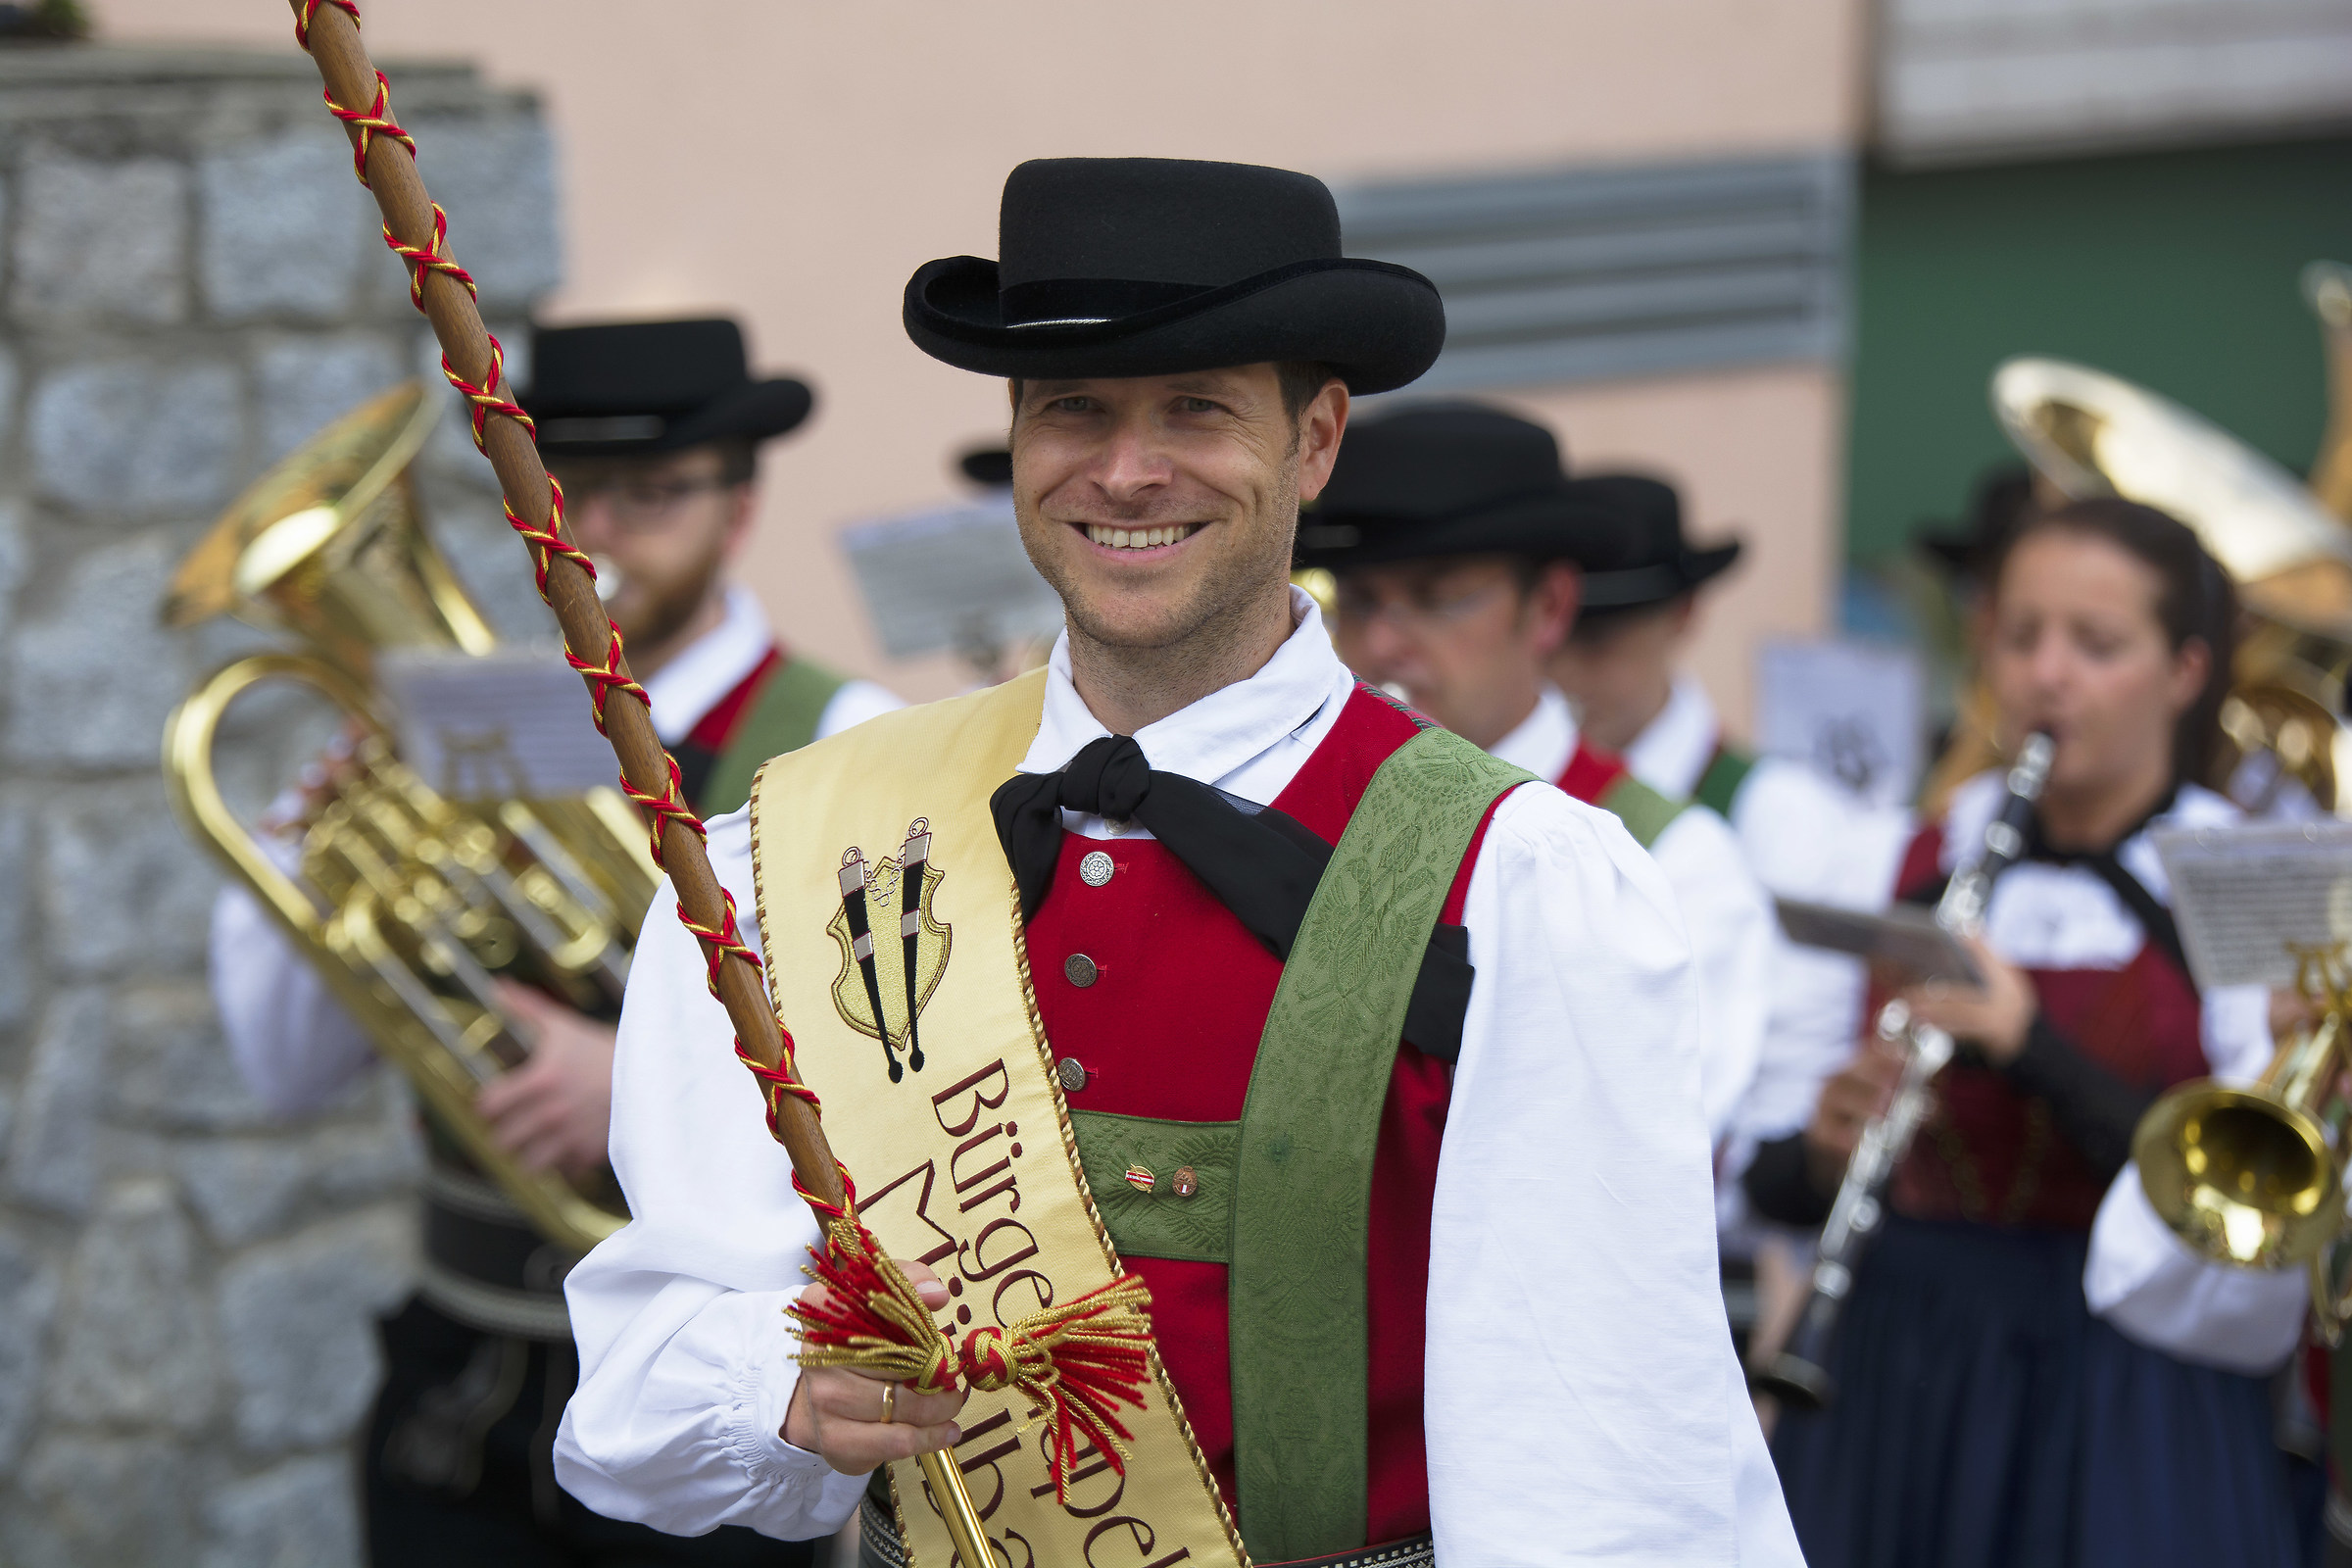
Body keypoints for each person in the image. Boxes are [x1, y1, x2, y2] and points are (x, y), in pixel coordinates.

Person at [554, 157, 1801, 1566]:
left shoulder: (1521, 877)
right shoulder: (798, 846)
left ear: (1317, 440)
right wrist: (781, 1393)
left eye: (1198, 408)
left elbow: (1612, 1473)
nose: (1128, 469)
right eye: (1073, 409)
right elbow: (644, 1386)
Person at [208, 317, 899, 1565]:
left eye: (657, 493)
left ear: (739, 505)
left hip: (723, 1405)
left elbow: (903, 1084)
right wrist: (312, 847)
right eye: (574, 492)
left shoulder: (850, 735)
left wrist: (627, 1082)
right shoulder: (470, 722)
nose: (608, 533)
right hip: (466, 1368)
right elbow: (285, 1068)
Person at [1744, 496, 2306, 1567]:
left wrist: (2029, 1044)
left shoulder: (2239, 883)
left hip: (2132, 1389)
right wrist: (1825, 1145)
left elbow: (2250, 1219)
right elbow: (1765, 1188)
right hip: (1903, 1377)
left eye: (2097, 645)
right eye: (2021, 635)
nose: (2048, 674)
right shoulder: (1911, 856)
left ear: (2186, 672)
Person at [1296, 403, 1775, 1143]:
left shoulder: (1677, 864)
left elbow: (1625, 1150)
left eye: (1436, 596)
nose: (1384, 642)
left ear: (1548, 607)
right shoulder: (1294, 814)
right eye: (1358, 601)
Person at [1538, 467, 1914, 1344]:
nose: (1569, 667)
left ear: (1683, 619)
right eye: (1555, 632)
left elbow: (1785, 1113)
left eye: (1602, 635)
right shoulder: (1506, 794)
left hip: (1711, 1280)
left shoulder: (1782, 816)